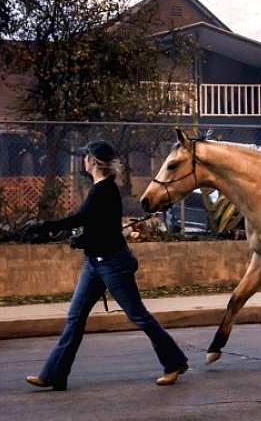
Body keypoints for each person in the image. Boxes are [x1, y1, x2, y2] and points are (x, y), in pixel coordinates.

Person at [25, 139, 188, 390]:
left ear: (92, 161)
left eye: (85, 156)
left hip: (113, 264)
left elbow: (82, 217)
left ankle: (174, 362)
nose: (83, 160)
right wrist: (83, 239)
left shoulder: (105, 190)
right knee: (75, 317)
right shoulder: (99, 189)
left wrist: (43, 226)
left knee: (138, 315)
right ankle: (54, 375)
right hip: (95, 264)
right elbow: (103, 225)